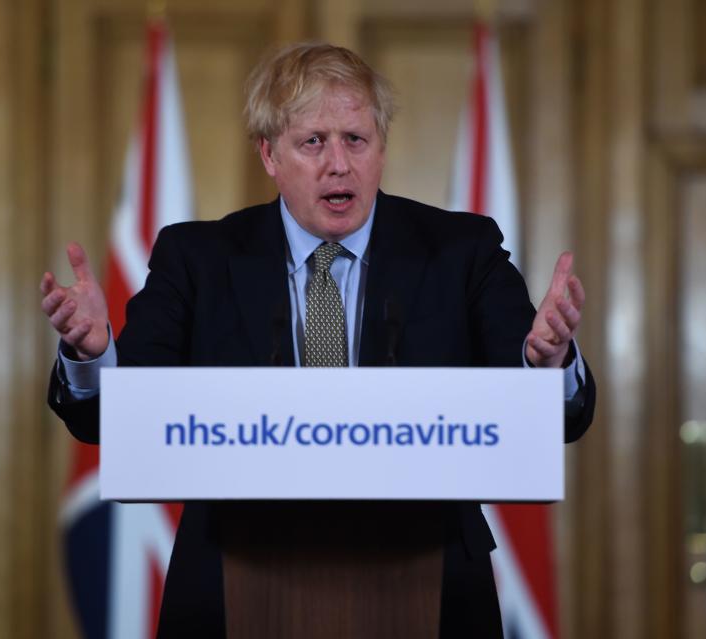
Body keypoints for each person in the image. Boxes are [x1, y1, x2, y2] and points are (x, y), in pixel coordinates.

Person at [42, 43, 595, 638]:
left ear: (381, 148)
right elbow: (121, 419)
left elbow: (554, 414)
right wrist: (94, 355)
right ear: (269, 154)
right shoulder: (198, 259)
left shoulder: (462, 251)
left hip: (427, 579)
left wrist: (549, 364)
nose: (339, 164)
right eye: (314, 142)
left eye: (356, 140)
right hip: (236, 576)